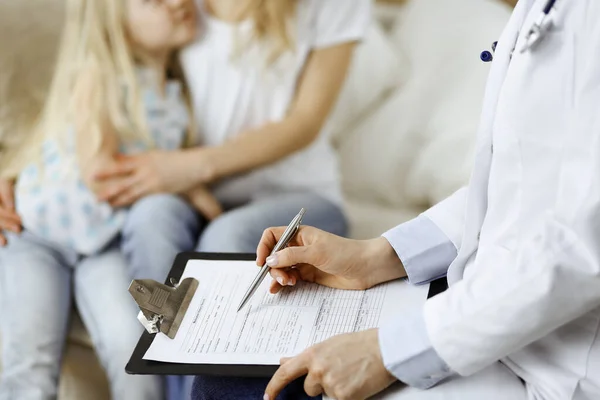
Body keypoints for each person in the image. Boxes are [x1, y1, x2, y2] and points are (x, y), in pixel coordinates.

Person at [194, 1, 600, 399]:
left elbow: (582, 250)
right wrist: (378, 255)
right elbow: (511, 185)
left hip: (556, 368)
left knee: (230, 388)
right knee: (220, 378)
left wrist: (388, 352)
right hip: (491, 313)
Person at [0, 0, 216, 398]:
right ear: (112, 17)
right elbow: (99, 174)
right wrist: (188, 187)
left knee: (133, 353)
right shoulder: (99, 75)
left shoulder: (179, 97)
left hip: (105, 244)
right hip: (36, 236)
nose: (178, 3)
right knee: (28, 361)